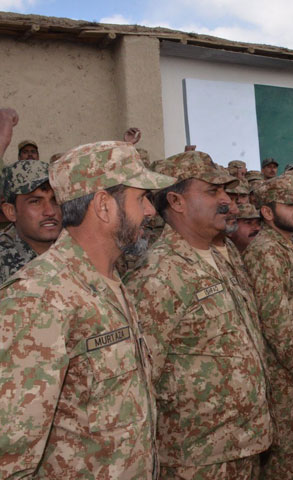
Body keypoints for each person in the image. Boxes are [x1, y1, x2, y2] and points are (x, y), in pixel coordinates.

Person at [0, 141, 176, 478]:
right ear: (104, 206)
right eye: (140, 199)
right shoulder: (40, 298)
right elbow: (10, 459)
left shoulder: (109, 279)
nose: (151, 212)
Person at [124, 151, 270, 479]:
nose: (227, 202)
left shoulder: (221, 255)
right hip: (195, 460)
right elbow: (139, 380)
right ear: (176, 201)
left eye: (226, 192)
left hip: (243, 445)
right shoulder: (157, 275)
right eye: (212, 191)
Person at [243, 175, 293, 480]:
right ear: (267, 212)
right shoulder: (266, 253)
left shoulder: (286, 247)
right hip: (284, 381)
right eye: (290, 203)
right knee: (286, 464)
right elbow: (277, 325)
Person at [0, 159, 62, 283]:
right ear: (10, 211)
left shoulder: (79, 248)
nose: (50, 211)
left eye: (55, 199)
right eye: (35, 201)